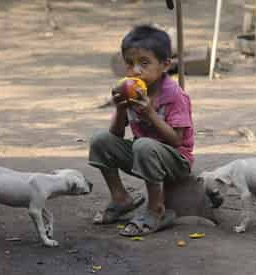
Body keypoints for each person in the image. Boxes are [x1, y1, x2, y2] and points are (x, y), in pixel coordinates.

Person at [88, 24, 221, 237]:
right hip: (145, 155)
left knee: (143, 145)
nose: (136, 70)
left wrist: (150, 113)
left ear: (165, 65)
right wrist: (121, 109)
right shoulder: (133, 91)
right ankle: (121, 198)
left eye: (144, 63)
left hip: (177, 160)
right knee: (100, 140)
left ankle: (156, 208)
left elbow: (176, 141)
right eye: (130, 63)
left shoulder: (174, 95)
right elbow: (116, 136)